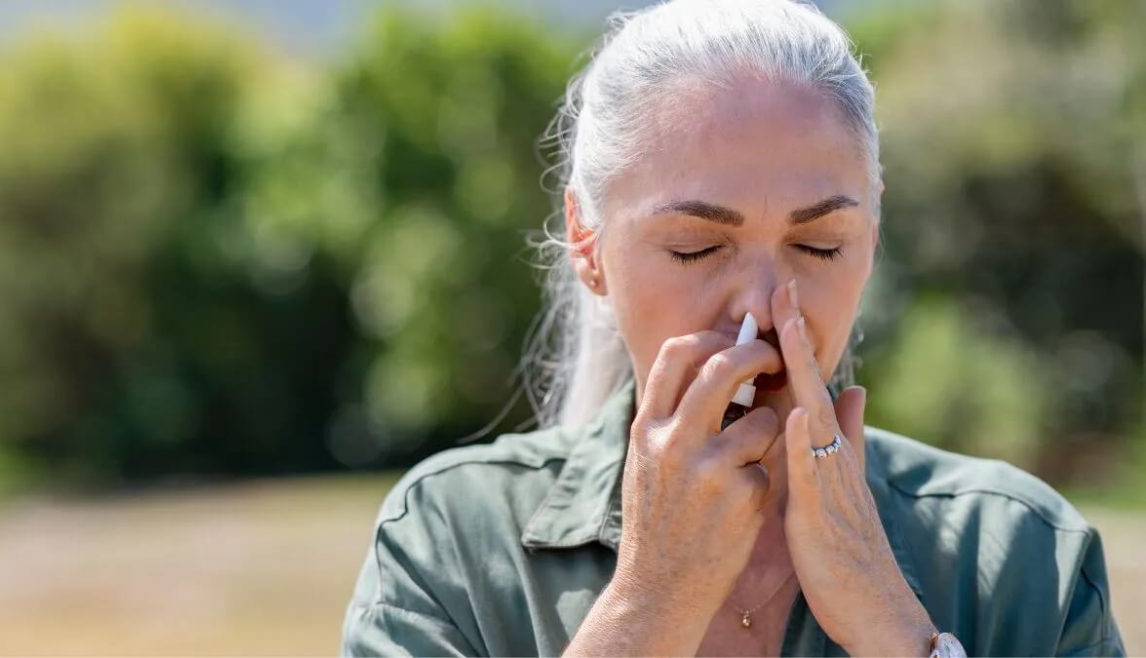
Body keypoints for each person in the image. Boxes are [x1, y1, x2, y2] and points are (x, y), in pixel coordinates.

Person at [341, 0, 1126, 655]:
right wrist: (650, 604)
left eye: (819, 245)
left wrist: (893, 626)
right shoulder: (448, 543)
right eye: (696, 247)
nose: (760, 306)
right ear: (587, 243)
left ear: (872, 233)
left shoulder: (1028, 556)